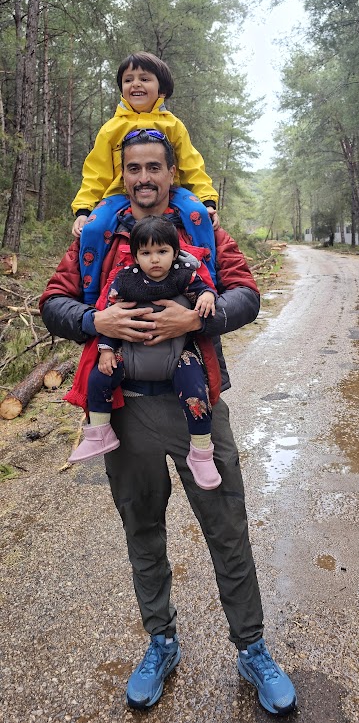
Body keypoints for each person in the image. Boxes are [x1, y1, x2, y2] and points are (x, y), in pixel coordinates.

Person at [40, 130, 297, 716]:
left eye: (155, 167)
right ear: (122, 174)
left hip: (194, 407)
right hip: (123, 411)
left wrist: (200, 318)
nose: (144, 178)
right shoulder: (99, 236)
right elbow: (53, 300)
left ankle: (252, 648)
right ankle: (162, 642)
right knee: (143, 530)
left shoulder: (200, 233)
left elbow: (246, 293)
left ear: (172, 172)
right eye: (134, 168)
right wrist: (93, 319)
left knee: (227, 525)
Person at [67, 215, 222, 490]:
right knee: (99, 377)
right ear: (135, 255)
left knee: (196, 393)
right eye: (146, 252)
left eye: (162, 252)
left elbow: (203, 290)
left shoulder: (184, 275)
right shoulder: (125, 280)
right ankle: (99, 432)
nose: (155, 260)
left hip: (178, 355)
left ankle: (201, 452)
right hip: (130, 352)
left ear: (175, 252)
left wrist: (208, 295)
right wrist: (106, 350)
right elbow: (112, 317)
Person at [71, 51, 219, 303]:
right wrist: (83, 209)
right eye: (128, 80)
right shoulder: (111, 129)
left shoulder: (173, 125)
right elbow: (96, 172)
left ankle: (209, 283)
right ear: (121, 89)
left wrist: (207, 200)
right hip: (120, 195)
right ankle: (91, 295)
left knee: (200, 216)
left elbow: (192, 165)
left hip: (172, 191)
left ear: (161, 88)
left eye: (144, 78)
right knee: (94, 228)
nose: (136, 84)